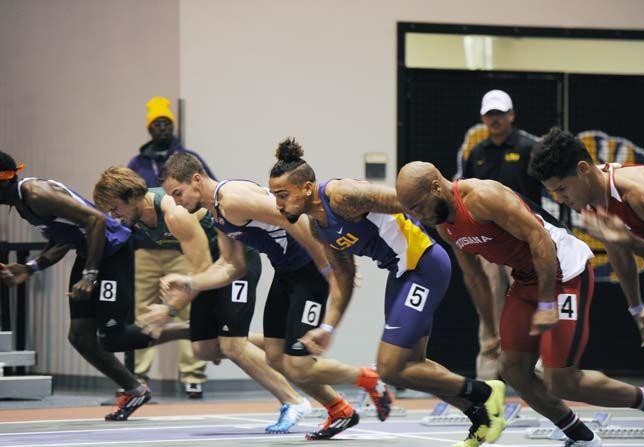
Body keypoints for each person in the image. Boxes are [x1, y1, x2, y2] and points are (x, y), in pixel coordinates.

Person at [395, 161, 644, 447]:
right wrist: (489, 327)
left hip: (563, 272)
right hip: (526, 280)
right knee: (513, 369)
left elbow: (539, 238)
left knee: (562, 380)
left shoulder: (482, 197)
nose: (416, 215)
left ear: (436, 187)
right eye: (410, 210)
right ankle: (582, 437)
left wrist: (548, 301)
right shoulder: (444, 227)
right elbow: (474, 277)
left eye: (417, 206)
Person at [267, 138, 506, 447]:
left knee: (391, 367)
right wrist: (328, 327)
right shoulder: (317, 226)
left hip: (425, 265)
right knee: (410, 368)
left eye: (282, 195)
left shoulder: (342, 196)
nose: (277, 204)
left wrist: (459, 224)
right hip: (400, 274)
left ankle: (486, 392)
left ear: (307, 188)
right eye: (274, 196)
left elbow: (406, 200)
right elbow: (343, 277)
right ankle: (482, 416)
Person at [158, 151, 392, 440]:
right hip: (285, 275)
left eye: (178, 193)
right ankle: (340, 410)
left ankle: (369, 379)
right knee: (275, 357)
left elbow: (296, 220)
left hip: (309, 272)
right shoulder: (217, 213)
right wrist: (190, 282)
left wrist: (332, 272)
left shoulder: (232, 198)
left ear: (196, 179)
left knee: (299, 364)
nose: (178, 202)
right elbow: (232, 266)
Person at [0, 151, 188, 421]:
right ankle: (135, 389)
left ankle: (195, 330)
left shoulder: (35, 193)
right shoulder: (22, 203)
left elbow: (96, 220)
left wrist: (91, 273)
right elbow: (65, 238)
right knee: (79, 336)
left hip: (113, 251)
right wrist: (31, 267)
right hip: (89, 253)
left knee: (114, 337)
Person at [529, 127, 644, 444]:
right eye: (554, 193)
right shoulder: (594, 201)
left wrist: (634, 242)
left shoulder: (642, 194)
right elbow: (620, 254)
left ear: (582, 169)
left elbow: (631, 245)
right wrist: (636, 306)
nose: (561, 199)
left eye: (563, 189)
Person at [455, 89, 543, 379]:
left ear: (511, 115)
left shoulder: (530, 147)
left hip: (524, 237)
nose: (495, 119)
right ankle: (489, 372)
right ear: (483, 117)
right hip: (489, 242)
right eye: (490, 114)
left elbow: (549, 191)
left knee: (534, 293)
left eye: (500, 114)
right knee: (492, 299)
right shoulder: (477, 154)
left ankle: (543, 367)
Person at [128, 96, 213, 397]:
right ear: (150, 128)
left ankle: (192, 376)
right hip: (146, 250)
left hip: (181, 249)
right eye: (157, 123)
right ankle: (137, 377)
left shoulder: (187, 158)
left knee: (186, 308)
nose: (162, 128)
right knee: (141, 310)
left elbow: (206, 195)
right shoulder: (138, 164)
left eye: (167, 123)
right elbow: (129, 206)